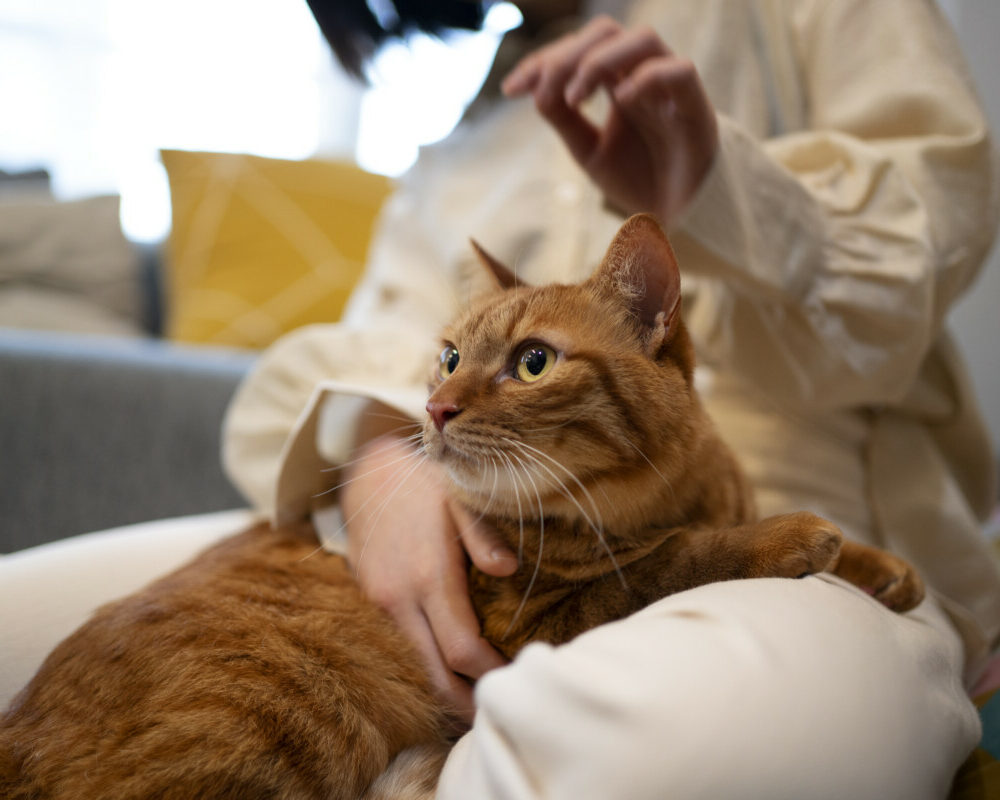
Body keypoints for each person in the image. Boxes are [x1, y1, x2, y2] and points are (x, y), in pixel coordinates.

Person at [218, 0, 1000, 796]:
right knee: (86, 589)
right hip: (445, 543)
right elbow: (373, 351)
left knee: (654, 746)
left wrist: (726, 197)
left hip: (786, 534)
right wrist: (380, 461)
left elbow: (935, 246)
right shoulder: (462, 134)